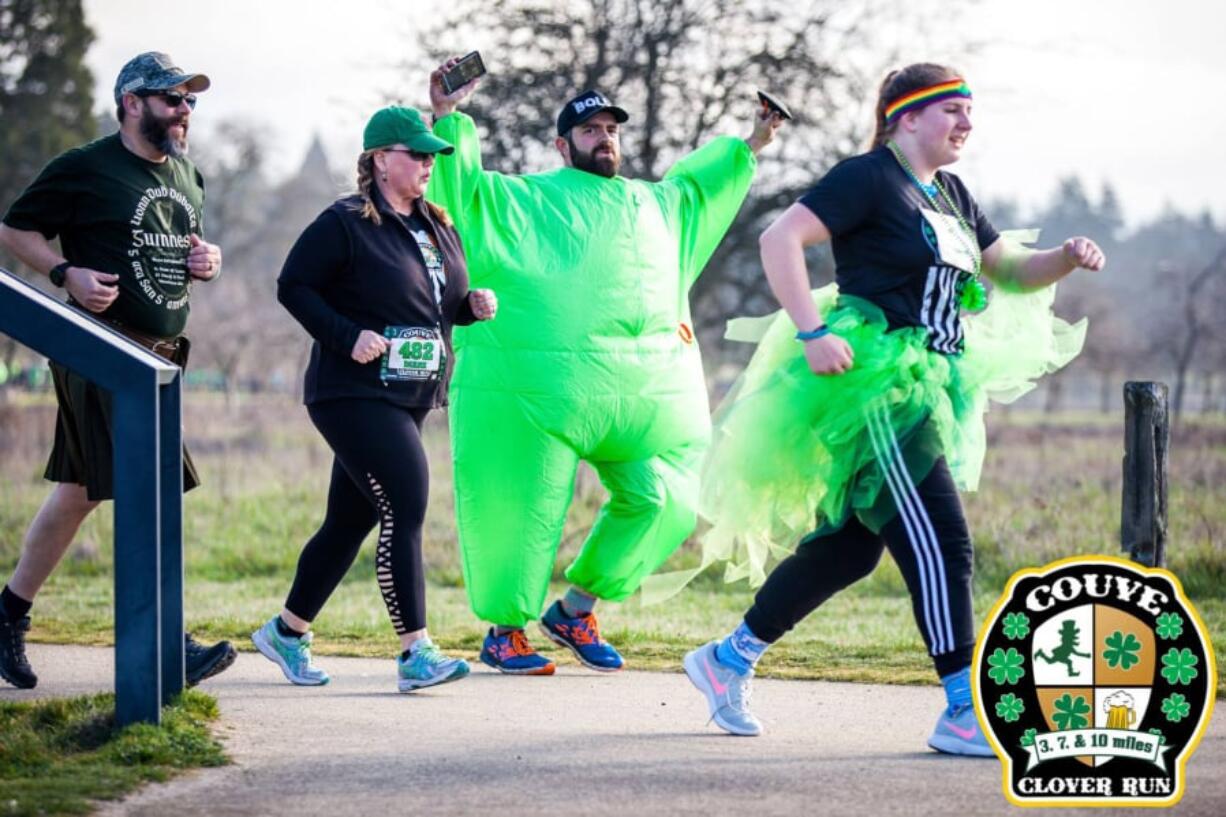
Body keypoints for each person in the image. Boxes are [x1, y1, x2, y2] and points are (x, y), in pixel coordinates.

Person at [682, 64, 1104, 752]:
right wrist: (812, 333)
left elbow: (1005, 271)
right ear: (907, 117)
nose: (967, 123)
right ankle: (964, 707)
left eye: (971, 111)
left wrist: (1064, 255)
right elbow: (778, 239)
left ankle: (726, 659)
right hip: (875, 380)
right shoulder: (868, 177)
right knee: (943, 537)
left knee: (849, 547)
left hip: (932, 381)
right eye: (953, 111)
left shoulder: (953, 192)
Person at [426, 59, 785, 675]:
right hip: (537, 395)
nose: (605, 138)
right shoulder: (525, 198)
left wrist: (752, 142)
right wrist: (448, 116)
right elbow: (463, 194)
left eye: (611, 128)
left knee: (664, 499)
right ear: (563, 145)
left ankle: (575, 609)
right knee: (517, 504)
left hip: (636, 399)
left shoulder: (654, 206)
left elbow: (699, 189)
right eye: (590, 130)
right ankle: (505, 631)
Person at [0, 52, 236, 690]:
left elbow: (178, 250)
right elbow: (15, 230)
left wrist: (204, 261)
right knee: (147, 488)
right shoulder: (85, 168)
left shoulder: (188, 175)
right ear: (132, 102)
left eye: (189, 99)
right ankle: (166, 644)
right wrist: (63, 272)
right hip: (99, 347)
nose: (184, 110)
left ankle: (7, 614)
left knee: (80, 492)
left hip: (158, 358)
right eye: (171, 99)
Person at [253, 106, 497, 693]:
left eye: (433, 155)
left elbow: (434, 302)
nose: (428, 164)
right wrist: (345, 335)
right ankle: (416, 652)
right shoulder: (345, 222)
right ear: (380, 160)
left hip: (411, 393)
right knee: (407, 501)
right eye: (415, 154)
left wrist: (469, 307)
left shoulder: (436, 223)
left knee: (348, 521)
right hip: (352, 391)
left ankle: (286, 633)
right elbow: (294, 286)